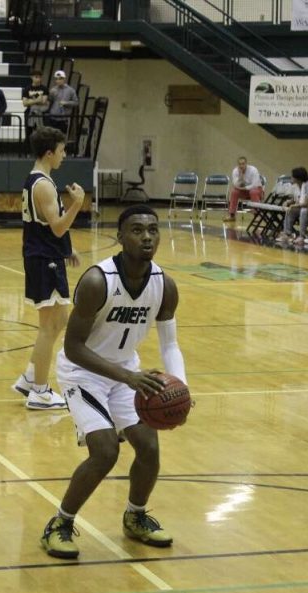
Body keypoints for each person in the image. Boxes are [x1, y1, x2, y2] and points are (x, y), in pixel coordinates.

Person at [41, 204, 186, 560]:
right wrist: (129, 377)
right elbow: (73, 348)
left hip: (127, 374)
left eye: (153, 230)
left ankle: (135, 516)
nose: (147, 237)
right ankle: (59, 524)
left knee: (149, 449)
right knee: (106, 450)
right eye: (137, 230)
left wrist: (180, 387)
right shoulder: (96, 281)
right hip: (83, 373)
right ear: (120, 237)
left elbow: (169, 343)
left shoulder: (164, 284)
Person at [13, 127, 83, 410]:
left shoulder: (38, 180)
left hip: (46, 255)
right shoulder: (42, 184)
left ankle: (31, 376)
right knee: (48, 326)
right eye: (62, 150)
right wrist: (77, 205)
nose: (64, 155)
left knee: (60, 321)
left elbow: (50, 227)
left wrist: (67, 248)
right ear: (49, 152)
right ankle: (40, 392)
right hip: (44, 259)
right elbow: (56, 227)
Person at [227, 156, 262, 222]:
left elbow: (254, 185)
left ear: (246, 163)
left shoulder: (253, 170)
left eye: (243, 164)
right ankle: (232, 215)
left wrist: (244, 188)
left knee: (253, 192)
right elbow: (235, 185)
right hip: (244, 191)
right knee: (234, 192)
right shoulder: (235, 171)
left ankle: (257, 215)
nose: (241, 166)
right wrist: (241, 177)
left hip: (257, 190)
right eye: (240, 164)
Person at [22, 70, 49, 146]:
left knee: (41, 132)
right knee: (28, 132)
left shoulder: (44, 88)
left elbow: (43, 101)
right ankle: (27, 151)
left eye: (40, 77)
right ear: (32, 77)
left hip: (40, 112)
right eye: (36, 77)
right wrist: (37, 100)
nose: (38, 79)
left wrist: (31, 100)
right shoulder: (27, 89)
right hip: (29, 112)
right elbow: (25, 103)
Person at [46, 70, 77, 134]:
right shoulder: (53, 90)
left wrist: (66, 103)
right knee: (51, 136)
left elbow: (76, 102)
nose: (58, 81)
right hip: (53, 117)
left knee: (61, 137)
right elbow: (49, 102)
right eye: (56, 79)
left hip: (63, 118)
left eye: (60, 79)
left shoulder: (70, 90)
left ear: (64, 79)